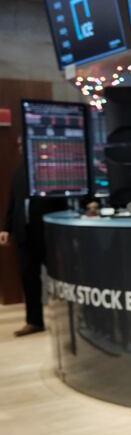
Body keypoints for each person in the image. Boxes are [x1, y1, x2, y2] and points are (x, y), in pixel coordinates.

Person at [1, 137, 50, 337]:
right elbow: (13, 201)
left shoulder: (50, 168)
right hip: (24, 233)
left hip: (48, 233)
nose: (21, 148)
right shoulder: (18, 171)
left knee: (61, 277)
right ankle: (34, 321)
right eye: (20, 145)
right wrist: (6, 229)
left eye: (25, 145)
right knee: (29, 279)